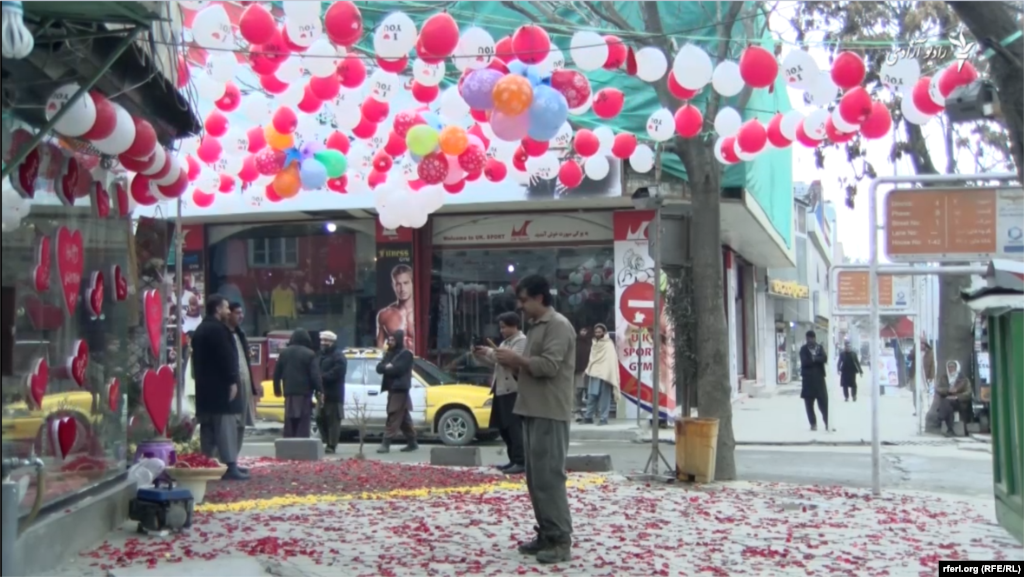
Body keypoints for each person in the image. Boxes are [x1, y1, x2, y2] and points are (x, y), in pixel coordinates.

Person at [492, 274, 575, 564]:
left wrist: (516, 361)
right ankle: (546, 533)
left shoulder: (559, 326)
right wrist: (506, 362)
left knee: (549, 477)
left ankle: (560, 539)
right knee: (536, 479)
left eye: (525, 300)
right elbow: (527, 370)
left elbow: (549, 366)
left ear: (540, 298)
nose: (521, 306)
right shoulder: (535, 327)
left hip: (550, 410)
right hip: (529, 408)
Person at [191, 294, 248, 481]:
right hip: (220, 390)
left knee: (207, 429)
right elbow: (226, 358)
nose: (228, 311)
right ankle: (229, 465)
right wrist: (232, 381)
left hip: (204, 389)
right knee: (226, 428)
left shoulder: (200, 329)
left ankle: (208, 463)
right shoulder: (219, 330)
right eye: (225, 308)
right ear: (217, 310)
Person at [474, 312, 528, 474]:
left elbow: (509, 359)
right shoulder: (505, 342)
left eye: (504, 327)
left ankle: (521, 460)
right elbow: (494, 362)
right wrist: (479, 354)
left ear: (514, 325)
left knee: (514, 427)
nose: (502, 330)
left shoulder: (521, 341)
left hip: (513, 389)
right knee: (504, 428)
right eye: (501, 327)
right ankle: (513, 459)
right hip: (500, 389)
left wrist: (490, 351)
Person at [272, 329, 322, 439]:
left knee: (289, 419)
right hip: (304, 393)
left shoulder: (284, 353)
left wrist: (277, 390)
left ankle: (288, 443)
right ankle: (301, 444)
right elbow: (315, 375)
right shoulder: (310, 354)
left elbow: (276, 374)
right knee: (303, 421)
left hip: (289, 392)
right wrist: (320, 390)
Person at [376, 329, 417, 453]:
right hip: (391, 389)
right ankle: (412, 442)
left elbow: (398, 370)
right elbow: (379, 368)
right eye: (389, 339)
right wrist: (387, 367)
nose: (390, 341)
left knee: (393, 414)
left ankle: (386, 443)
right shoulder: (389, 353)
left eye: (393, 339)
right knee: (403, 418)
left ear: (398, 340)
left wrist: (387, 368)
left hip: (400, 389)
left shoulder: (406, 354)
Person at [226, 303, 259, 454]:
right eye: (237, 312)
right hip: (233, 384)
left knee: (242, 424)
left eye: (242, 313)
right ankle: (228, 459)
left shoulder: (240, 333)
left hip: (244, 383)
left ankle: (234, 459)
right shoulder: (223, 333)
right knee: (232, 423)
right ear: (229, 314)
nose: (241, 316)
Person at [583, 324, 620, 425]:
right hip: (594, 372)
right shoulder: (594, 343)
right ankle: (588, 417)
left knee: (605, 397)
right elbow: (592, 359)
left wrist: (608, 372)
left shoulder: (608, 344)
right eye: (596, 332)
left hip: (605, 374)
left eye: (600, 332)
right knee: (591, 396)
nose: (598, 334)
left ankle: (604, 418)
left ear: (604, 332)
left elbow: (611, 360)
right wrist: (588, 370)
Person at [318, 330, 347, 453]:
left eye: (326, 341)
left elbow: (337, 372)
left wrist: (321, 377)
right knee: (320, 418)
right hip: (321, 393)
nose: (323, 343)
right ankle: (326, 441)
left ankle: (331, 445)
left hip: (334, 394)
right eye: (322, 340)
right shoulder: (321, 355)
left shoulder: (339, 356)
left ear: (332, 342)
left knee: (333, 421)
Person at [376, 264, 415, 350]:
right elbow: (379, 349)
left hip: (418, 363)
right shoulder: (385, 315)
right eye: (398, 284)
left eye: (406, 283)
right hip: (394, 362)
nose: (402, 288)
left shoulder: (420, 313)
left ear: (412, 283)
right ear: (393, 286)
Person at [799, 330, 829, 432]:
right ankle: (813, 424)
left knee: (824, 404)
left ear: (814, 338)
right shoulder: (803, 349)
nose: (810, 340)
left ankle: (827, 423)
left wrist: (814, 358)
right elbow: (805, 362)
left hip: (820, 380)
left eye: (811, 338)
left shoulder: (819, 347)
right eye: (808, 338)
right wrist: (816, 359)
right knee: (809, 405)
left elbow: (824, 358)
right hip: (808, 381)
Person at [937, 360, 973, 437]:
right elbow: (938, 389)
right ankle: (950, 429)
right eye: (949, 367)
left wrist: (957, 397)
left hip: (960, 401)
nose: (950, 369)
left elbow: (968, 392)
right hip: (947, 400)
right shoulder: (944, 378)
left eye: (952, 367)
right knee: (947, 404)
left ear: (956, 368)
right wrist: (947, 390)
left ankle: (941, 418)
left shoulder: (964, 379)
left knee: (946, 403)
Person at [573, 327, 591, 422]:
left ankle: (590, 412)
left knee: (590, 392)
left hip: (589, 371)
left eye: (585, 330)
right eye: (582, 330)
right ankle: (577, 412)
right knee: (577, 392)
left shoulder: (590, 342)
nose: (584, 332)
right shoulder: (575, 342)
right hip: (578, 371)